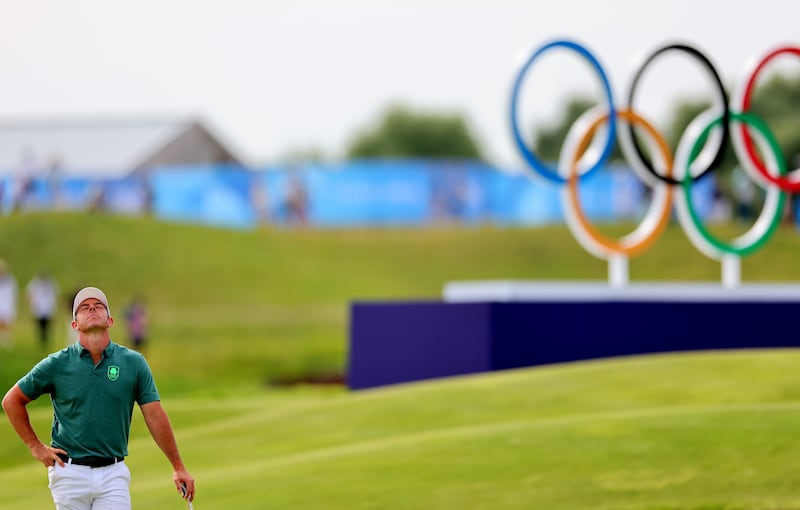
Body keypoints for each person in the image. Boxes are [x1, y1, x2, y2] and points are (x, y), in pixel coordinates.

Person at [1, 286, 195, 509]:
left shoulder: (133, 363)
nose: (92, 309)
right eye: (84, 307)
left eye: (98, 306)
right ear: (75, 324)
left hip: (113, 473)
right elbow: (12, 401)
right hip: (69, 473)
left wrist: (178, 466)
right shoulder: (57, 364)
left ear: (110, 320)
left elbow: (154, 415)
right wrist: (35, 446)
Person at [26, 270, 59, 350]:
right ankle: (41, 340)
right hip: (39, 309)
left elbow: (55, 294)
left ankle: (45, 341)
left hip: (48, 309)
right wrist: (33, 303)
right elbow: (29, 293)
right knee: (40, 326)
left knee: (47, 326)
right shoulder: (35, 284)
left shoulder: (51, 284)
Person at [0, 258, 18, 349]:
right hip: (1, 303)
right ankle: (3, 339)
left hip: (7, 304)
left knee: (6, 323)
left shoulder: (10, 280)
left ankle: (7, 340)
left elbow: (13, 293)